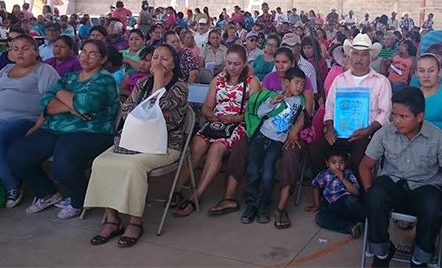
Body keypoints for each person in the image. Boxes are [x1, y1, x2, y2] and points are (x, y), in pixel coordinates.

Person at [84, 44, 188, 248]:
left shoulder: (180, 87)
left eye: (164, 59)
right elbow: (127, 110)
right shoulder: (141, 84)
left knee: (133, 167)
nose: (158, 62)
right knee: (101, 162)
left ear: (173, 64)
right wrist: (148, 112)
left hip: (165, 145)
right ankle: (112, 219)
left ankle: (135, 222)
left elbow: (155, 107)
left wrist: (157, 82)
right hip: (133, 140)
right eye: (155, 57)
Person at [7, 39, 119, 219]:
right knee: (17, 155)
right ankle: (47, 193)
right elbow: (45, 102)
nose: (86, 57)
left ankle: (79, 200)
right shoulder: (70, 77)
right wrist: (70, 107)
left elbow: (87, 104)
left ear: (103, 58)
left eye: (93, 54)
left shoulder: (105, 80)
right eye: (83, 52)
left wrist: (59, 95)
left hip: (90, 131)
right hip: (56, 127)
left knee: (62, 166)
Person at [359, 86, 442, 267]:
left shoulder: (438, 139)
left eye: (403, 116)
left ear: (419, 117)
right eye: (394, 115)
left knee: (433, 208)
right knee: (374, 196)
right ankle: (381, 253)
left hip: (425, 188)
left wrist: (440, 211)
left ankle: (419, 258)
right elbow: (365, 166)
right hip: (393, 184)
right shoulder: (385, 133)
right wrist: (370, 193)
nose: (396, 121)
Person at [174, 44, 261, 217]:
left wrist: (233, 118)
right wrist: (211, 116)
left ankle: (196, 195)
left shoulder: (252, 82)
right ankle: (177, 190)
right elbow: (207, 107)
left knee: (216, 149)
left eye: (236, 64)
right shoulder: (218, 80)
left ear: (244, 63)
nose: (232, 67)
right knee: (197, 144)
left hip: (237, 124)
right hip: (216, 122)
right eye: (229, 63)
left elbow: (253, 114)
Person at [0, 35, 59, 208]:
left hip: (22, 120)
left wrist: (39, 124)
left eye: (25, 48)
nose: (20, 52)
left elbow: (52, 101)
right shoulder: (5, 70)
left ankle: (12, 184)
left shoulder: (44, 70)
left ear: (36, 51)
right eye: (15, 49)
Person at [310, 33, 391, 176]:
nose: (359, 58)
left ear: (370, 57)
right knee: (315, 151)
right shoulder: (339, 80)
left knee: (358, 160)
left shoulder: (381, 81)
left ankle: (356, 194)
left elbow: (385, 113)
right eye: (356, 54)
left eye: (364, 55)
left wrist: (369, 130)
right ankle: (327, 188)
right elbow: (330, 107)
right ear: (350, 56)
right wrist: (329, 127)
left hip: (366, 134)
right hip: (338, 131)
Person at [241, 67, 306, 225]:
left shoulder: (300, 101)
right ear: (286, 83)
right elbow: (260, 113)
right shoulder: (274, 95)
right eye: (296, 83)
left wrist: (294, 132)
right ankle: (251, 205)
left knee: (269, 173)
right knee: (254, 170)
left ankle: (264, 205)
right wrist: (272, 102)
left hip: (277, 141)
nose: (299, 87)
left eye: (302, 84)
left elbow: (302, 117)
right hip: (261, 136)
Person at [306, 146, 365, 238]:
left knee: (351, 201)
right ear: (327, 163)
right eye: (333, 163)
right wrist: (317, 204)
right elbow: (316, 186)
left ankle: (364, 220)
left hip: (347, 205)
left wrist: (343, 179)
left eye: (341, 162)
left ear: (346, 163)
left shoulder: (349, 174)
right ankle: (351, 227)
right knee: (320, 218)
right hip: (333, 206)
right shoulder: (324, 174)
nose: (337, 166)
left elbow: (356, 192)